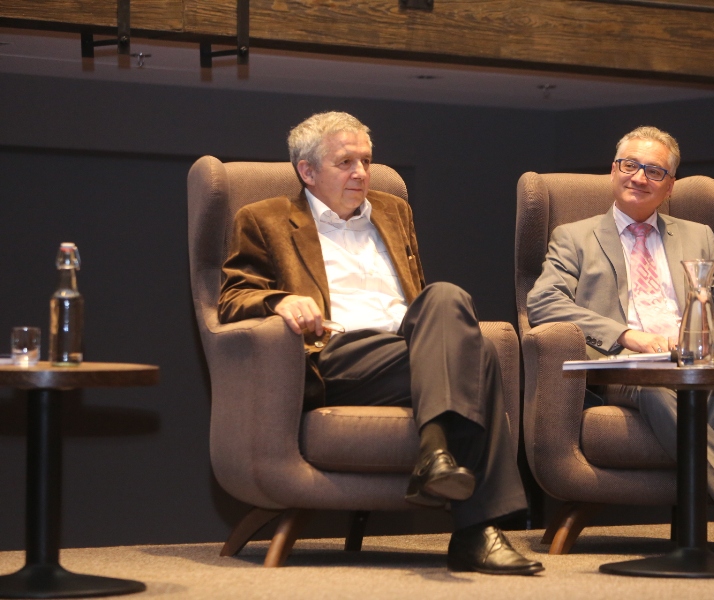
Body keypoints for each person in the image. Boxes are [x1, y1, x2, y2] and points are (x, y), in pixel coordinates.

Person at [218, 111, 543, 576]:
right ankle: (477, 530)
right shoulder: (263, 218)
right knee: (482, 357)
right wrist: (280, 300)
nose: (361, 173)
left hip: (407, 346)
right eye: (345, 162)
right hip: (335, 353)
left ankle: (436, 456)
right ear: (307, 171)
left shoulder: (393, 211)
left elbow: (420, 298)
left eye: (366, 161)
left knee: (447, 296)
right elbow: (232, 298)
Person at [526, 125, 714, 565]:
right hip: (626, 364)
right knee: (656, 379)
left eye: (654, 171)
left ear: (670, 186)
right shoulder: (574, 237)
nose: (639, 177)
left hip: (696, 357)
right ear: (613, 171)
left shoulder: (697, 237)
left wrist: (707, 337)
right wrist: (627, 335)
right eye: (630, 165)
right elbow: (544, 301)